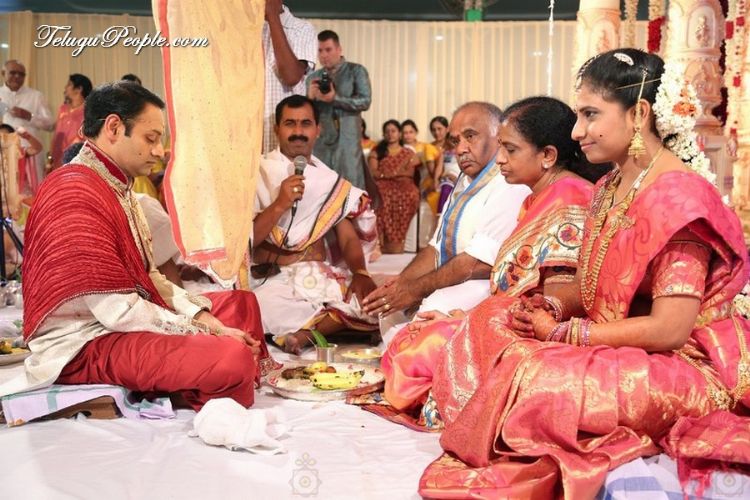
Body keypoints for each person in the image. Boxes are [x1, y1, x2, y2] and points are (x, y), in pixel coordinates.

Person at [419, 49, 750, 499]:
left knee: (540, 380)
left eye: (591, 114)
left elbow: (671, 329)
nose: (577, 131)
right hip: (615, 339)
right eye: (578, 115)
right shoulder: (609, 187)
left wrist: (565, 334)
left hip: (683, 363)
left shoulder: (677, 201)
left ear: (639, 114)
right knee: (493, 316)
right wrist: (552, 304)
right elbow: (598, 284)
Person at [0, 82, 276, 411]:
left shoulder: (118, 188)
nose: (159, 151)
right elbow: (118, 310)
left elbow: (149, 277)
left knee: (241, 304)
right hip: (84, 343)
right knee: (230, 356)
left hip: (117, 323)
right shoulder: (74, 192)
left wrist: (206, 319)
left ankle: (200, 380)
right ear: (114, 128)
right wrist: (205, 331)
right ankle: (186, 388)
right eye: (151, 138)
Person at [375, 96, 601, 427]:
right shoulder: (537, 196)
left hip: (539, 333)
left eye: (510, 149)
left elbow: (558, 301)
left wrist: (473, 323)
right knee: (416, 338)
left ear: (547, 156)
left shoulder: (568, 197)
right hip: (510, 316)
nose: (500, 159)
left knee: (421, 348)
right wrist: (466, 317)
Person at [363, 102, 529, 322]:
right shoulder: (463, 182)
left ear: (498, 136)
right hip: (456, 278)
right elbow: (436, 247)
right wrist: (401, 284)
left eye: (470, 136)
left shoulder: (509, 182)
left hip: (491, 284)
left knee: (430, 307)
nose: (460, 149)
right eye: (456, 141)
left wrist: (414, 290)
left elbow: (479, 263)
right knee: (390, 309)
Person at [251, 95, 378, 354]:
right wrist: (279, 204)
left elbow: (347, 236)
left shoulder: (328, 180)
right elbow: (247, 239)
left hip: (320, 276)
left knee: (375, 303)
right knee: (259, 305)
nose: (298, 131)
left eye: (305, 123)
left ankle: (305, 334)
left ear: (317, 130)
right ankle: (327, 326)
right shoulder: (258, 173)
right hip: (275, 280)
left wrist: (361, 273)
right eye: (290, 123)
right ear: (277, 129)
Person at [307, 30, 372, 191]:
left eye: (328, 50)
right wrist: (309, 99)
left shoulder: (356, 71)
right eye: (320, 51)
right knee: (321, 190)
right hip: (321, 143)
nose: (324, 55)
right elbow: (306, 114)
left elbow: (365, 101)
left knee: (351, 190)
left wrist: (335, 99)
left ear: (339, 49)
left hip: (347, 143)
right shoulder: (313, 78)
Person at [263, 0, 317, 153]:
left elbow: (291, 76)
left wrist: (272, 16)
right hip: (244, 141)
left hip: (282, 145)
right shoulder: (240, 29)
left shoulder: (301, 29)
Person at [368, 119, 422, 254]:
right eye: (387, 131)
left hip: (404, 183)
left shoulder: (408, 153)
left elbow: (409, 173)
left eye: (393, 131)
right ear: (383, 134)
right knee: (382, 195)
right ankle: (381, 243)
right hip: (382, 183)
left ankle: (396, 243)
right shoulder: (377, 151)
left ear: (399, 134)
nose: (390, 134)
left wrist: (391, 174)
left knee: (410, 194)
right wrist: (387, 175)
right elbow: (373, 172)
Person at [0, 60, 54, 187]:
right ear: (3, 73)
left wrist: (30, 116)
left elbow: (50, 125)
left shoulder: (36, 96)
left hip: (31, 152)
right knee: (5, 189)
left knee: (34, 188)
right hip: (3, 153)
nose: (17, 77)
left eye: (21, 74)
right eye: (13, 73)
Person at [50, 73, 92, 170]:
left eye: (69, 84)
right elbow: (56, 135)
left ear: (79, 89)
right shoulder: (63, 109)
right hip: (57, 158)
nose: (65, 88)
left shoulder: (88, 110)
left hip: (77, 158)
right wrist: (50, 156)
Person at [401, 119, 440, 215]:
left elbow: (437, 163)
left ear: (416, 132)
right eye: (405, 133)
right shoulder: (399, 149)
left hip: (425, 180)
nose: (408, 135)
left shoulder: (426, 147)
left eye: (411, 132)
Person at [429, 115, 459, 213]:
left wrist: (458, 179)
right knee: (445, 190)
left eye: (439, 129)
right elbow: (439, 168)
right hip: (446, 179)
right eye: (434, 129)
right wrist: (436, 180)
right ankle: (440, 214)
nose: (436, 132)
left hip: (459, 179)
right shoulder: (444, 152)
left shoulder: (462, 152)